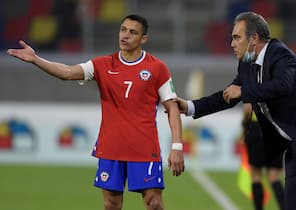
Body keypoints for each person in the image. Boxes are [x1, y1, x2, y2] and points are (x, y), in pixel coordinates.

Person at [7, 14, 185, 210]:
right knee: (111, 205)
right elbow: (67, 72)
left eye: (133, 32)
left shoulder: (157, 68)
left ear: (143, 39)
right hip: (110, 148)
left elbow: (172, 107)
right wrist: (36, 59)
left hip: (143, 148)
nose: (125, 36)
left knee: (154, 204)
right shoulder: (102, 64)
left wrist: (176, 146)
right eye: (123, 30)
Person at [176, 12, 296, 210]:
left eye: (236, 37)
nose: (232, 44)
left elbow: (282, 86)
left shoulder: (279, 53)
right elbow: (228, 96)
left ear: (253, 39)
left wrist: (243, 90)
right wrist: (190, 106)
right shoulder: (247, 65)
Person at [241, 103, 285, 210]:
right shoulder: (277, 86)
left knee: (256, 175)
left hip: (256, 129)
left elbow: (247, 109)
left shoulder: (253, 86)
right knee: (274, 176)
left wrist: (244, 126)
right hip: (274, 129)